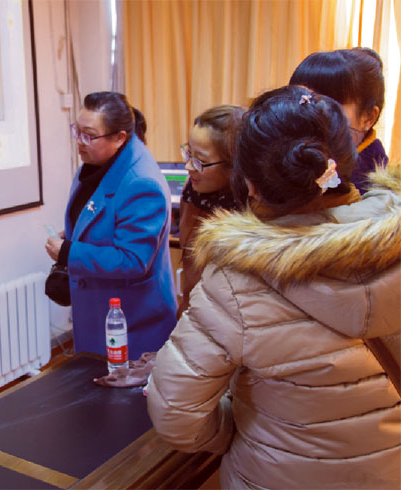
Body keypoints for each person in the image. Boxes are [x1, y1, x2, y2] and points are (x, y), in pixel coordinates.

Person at [146, 85, 400, 488]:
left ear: (248, 184)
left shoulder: (235, 283)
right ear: (345, 159)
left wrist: (234, 431)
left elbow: (175, 411)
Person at [45, 91, 177, 358]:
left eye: (89, 135)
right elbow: (100, 216)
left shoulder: (141, 183)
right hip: (99, 309)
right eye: (77, 131)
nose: (79, 142)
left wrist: (69, 252)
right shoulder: (97, 161)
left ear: (119, 138)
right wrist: (76, 232)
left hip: (133, 319)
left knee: (121, 385)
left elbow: (133, 259)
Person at [289, 47, 388, 193]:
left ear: (368, 117)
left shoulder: (378, 196)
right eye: (303, 101)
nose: (311, 114)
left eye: (329, 106)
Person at [177, 105, 243, 318]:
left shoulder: (249, 212)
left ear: (233, 166)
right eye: (188, 153)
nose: (189, 166)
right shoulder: (193, 190)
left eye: (200, 161)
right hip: (191, 313)